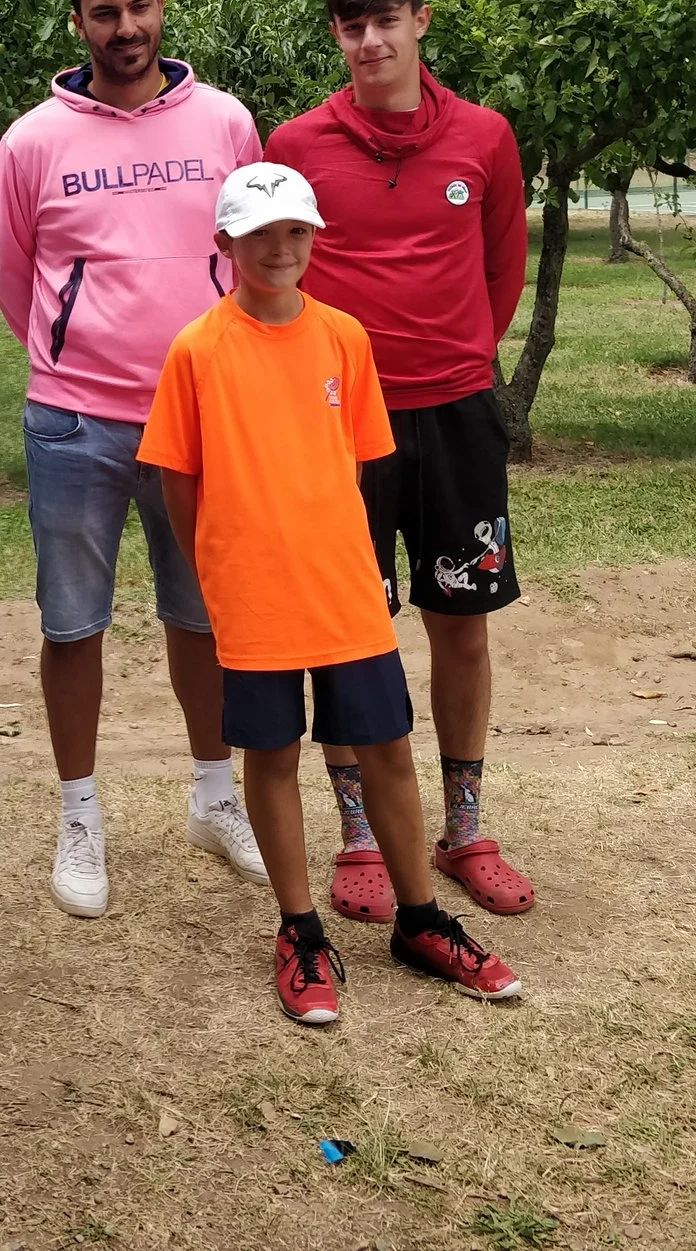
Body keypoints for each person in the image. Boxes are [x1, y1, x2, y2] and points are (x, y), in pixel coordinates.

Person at [141, 160, 521, 1021]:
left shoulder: (344, 337)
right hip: (253, 596)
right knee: (271, 757)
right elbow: (179, 480)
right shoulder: (198, 349)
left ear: (314, 237)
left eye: (295, 232)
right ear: (225, 243)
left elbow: (354, 464)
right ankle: (300, 929)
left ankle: (420, 918)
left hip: (343, 586)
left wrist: (336, 552)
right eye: (261, 234)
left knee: (385, 746)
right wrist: (223, 567)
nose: (280, 249)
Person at [0, 0, 268, 919]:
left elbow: (248, 257)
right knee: (74, 626)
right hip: (74, 423)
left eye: (139, 7)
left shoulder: (228, 123)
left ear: (160, 6)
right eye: (104, 12)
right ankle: (79, 815)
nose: (126, 28)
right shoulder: (30, 141)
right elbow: (18, 283)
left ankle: (214, 796)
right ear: (77, 22)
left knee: (201, 617)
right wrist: (78, 350)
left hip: (200, 417)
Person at [261, 0, 536, 924]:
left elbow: (502, 269)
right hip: (338, 427)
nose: (369, 42)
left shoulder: (485, 138)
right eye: (349, 26)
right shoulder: (294, 143)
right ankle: (361, 836)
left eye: (385, 21)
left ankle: (463, 830)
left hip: (456, 413)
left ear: (422, 22)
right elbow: (274, 273)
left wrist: (453, 353)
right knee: (346, 632)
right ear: (335, 36)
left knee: (460, 623)